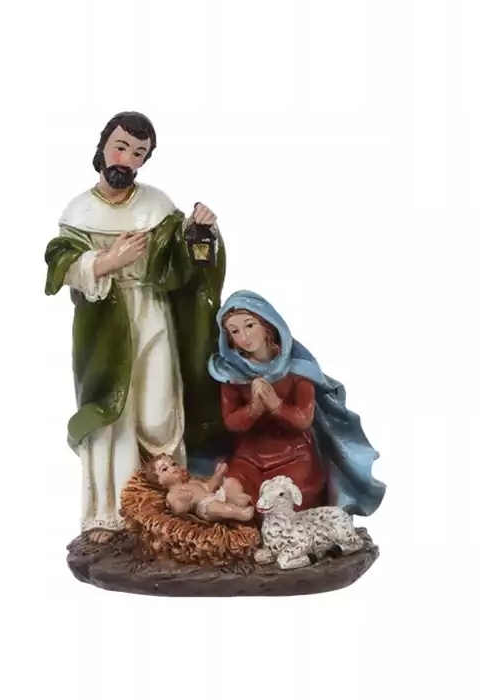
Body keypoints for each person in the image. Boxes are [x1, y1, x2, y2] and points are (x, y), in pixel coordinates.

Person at [45, 112, 226, 543]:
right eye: (121, 147)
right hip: (105, 323)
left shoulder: (157, 207)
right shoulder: (79, 211)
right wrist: (107, 262)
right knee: (113, 413)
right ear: (104, 146)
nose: (126, 159)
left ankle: (167, 505)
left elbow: (187, 264)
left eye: (138, 153)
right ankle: (110, 513)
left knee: (159, 407)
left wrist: (201, 230)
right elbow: (61, 263)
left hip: (153, 313)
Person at [208, 290, 386, 517]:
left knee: (290, 499)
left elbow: (303, 419)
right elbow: (231, 422)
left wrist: (275, 405)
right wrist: (254, 409)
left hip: (294, 454)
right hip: (249, 456)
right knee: (233, 491)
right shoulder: (231, 374)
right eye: (235, 331)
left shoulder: (297, 370)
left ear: (267, 325)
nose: (244, 336)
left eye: (250, 325)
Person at [143, 454, 254, 522]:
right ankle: (239, 512)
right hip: (205, 506)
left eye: (173, 464)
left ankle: (239, 498)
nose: (173, 468)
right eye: (164, 469)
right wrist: (183, 502)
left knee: (230, 482)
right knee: (215, 507)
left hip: (215, 495)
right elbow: (178, 512)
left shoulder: (192, 482)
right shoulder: (172, 494)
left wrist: (218, 475)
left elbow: (209, 487)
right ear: (160, 481)